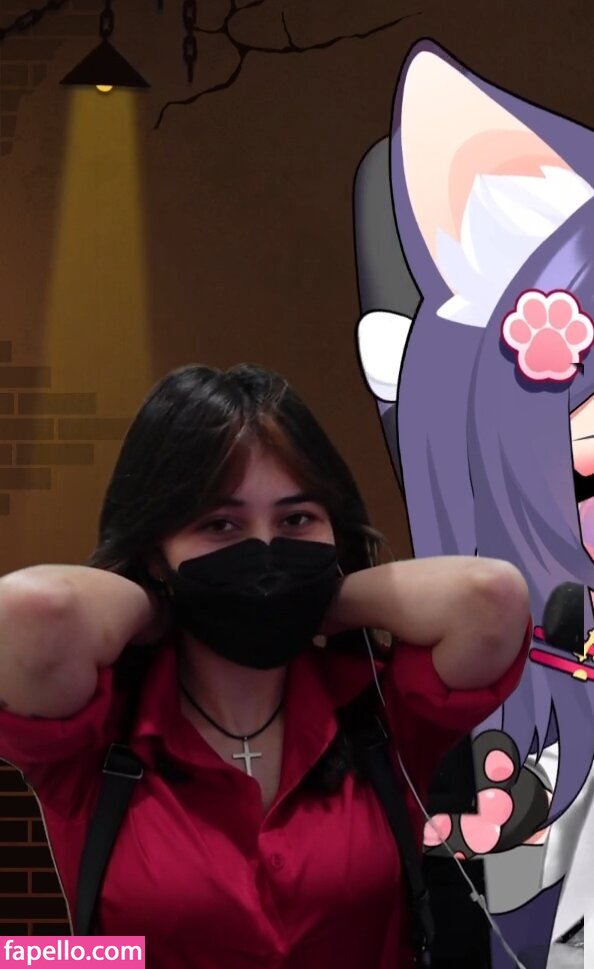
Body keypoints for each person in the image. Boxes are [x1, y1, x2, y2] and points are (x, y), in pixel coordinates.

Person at [0, 364, 531, 969]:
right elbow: (33, 612)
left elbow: (491, 598)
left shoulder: (381, 714)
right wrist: (161, 608)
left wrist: (323, 602)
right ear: (155, 551)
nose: (265, 553)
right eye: (220, 525)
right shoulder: (94, 741)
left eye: (295, 519)